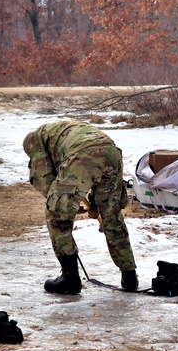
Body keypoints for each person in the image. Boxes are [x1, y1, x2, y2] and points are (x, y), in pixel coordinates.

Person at [23, 120, 138, 295]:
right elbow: (94, 168)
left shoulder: (35, 141)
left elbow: (44, 179)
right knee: (111, 215)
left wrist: (66, 205)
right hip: (110, 151)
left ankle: (69, 279)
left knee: (57, 217)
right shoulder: (64, 129)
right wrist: (92, 203)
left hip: (82, 155)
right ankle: (129, 275)